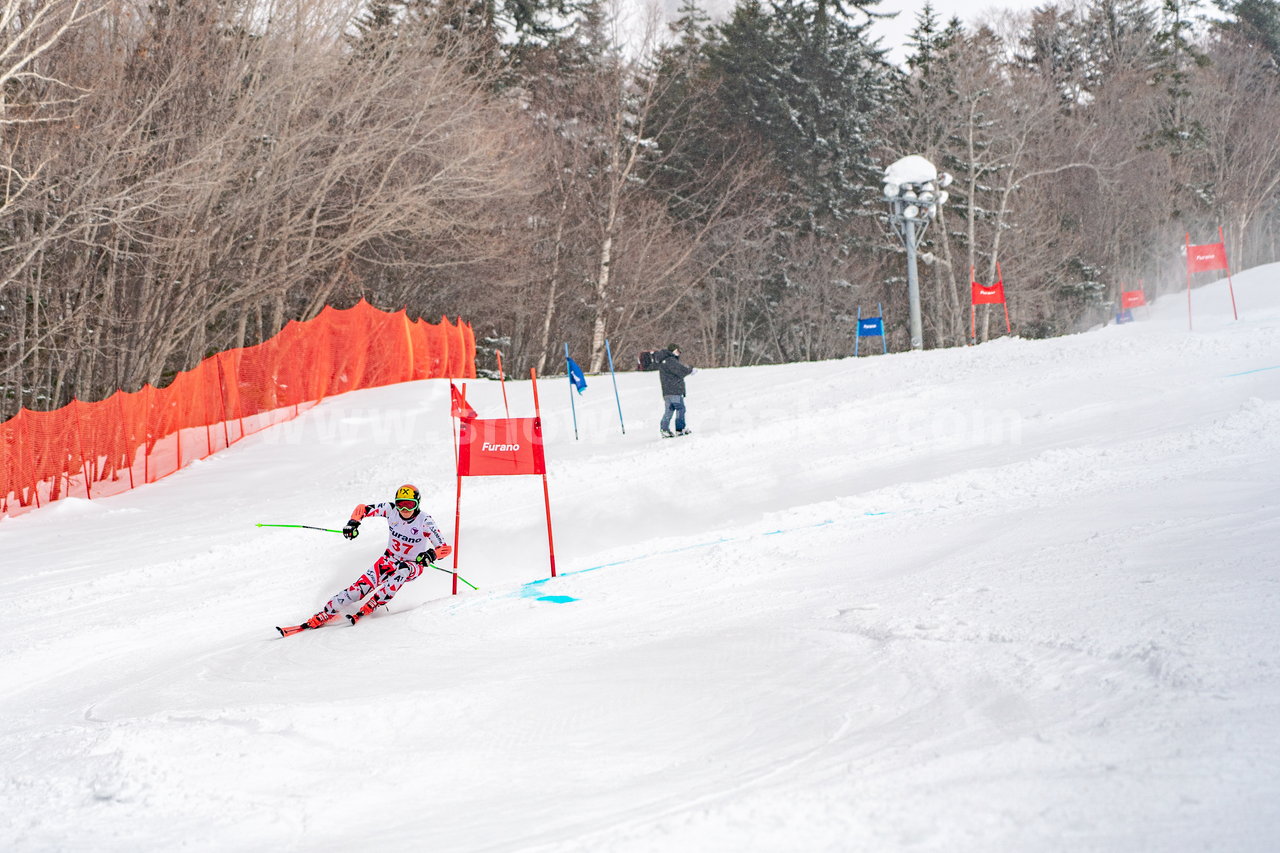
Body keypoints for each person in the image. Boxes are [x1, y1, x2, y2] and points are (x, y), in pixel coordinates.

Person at [299, 483, 452, 629]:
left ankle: (374, 603)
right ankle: (327, 613)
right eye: (400, 504)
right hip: (388, 559)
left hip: (413, 565)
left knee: (403, 570)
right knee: (357, 590)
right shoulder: (390, 510)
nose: (404, 509)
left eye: (410, 505)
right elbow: (362, 509)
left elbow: (444, 548)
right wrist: (353, 523)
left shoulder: (424, 521)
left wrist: (431, 555)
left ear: (417, 504)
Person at [656, 344, 694, 437]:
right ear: (673, 351)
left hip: (667, 392)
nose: (679, 353)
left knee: (669, 410)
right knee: (680, 409)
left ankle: (664, 429)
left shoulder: (664, 361)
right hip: (675, 390)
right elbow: (681, 370)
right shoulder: (670, 360)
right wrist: (691, 370)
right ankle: (680, 429)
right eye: (678, 351)